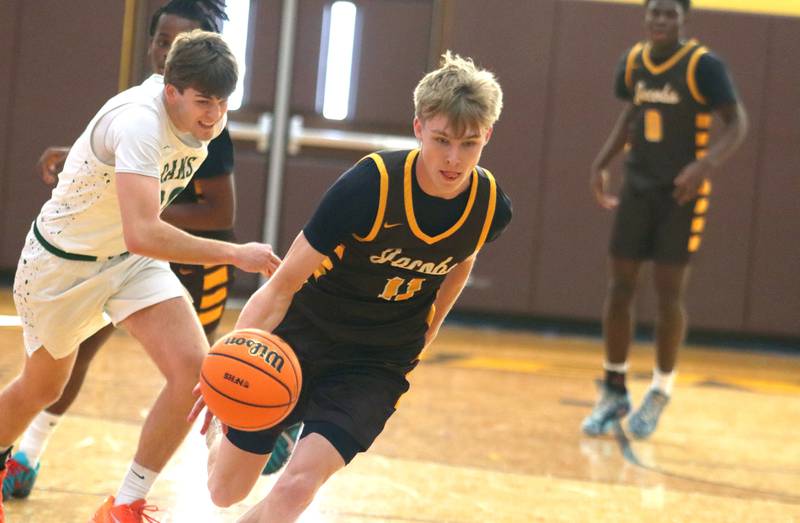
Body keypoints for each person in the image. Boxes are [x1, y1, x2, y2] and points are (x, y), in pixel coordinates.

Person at [188, 51, 512, 522]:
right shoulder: (367, 187)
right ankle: (235, 434)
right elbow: (282, 285)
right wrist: (231, 353)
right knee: (224, 492)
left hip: (375, 362)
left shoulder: (490, 206)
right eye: (442, 140)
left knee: (298, 487)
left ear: (487, 136)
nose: (453, 158)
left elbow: (462, 258)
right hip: (299, 340)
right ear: (419, 127)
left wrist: (431, 328)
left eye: (469, 144)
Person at [1, 0, 296, 504]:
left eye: (224, 103)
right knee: (41, 389)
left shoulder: (207, 119)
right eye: (204, 102)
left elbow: (134, 237)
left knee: (193, 372)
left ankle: (127, 504)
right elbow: (143, 231)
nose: (214, 116)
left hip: (127, 263)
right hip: (61, 267)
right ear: (171, 90)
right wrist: (235, 254)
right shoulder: (140, 120)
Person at [582, 0, 747, 439]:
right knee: (620, 288)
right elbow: (631, 114)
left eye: (669, 13)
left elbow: (737, 123)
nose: (659, 19)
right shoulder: (633, 62)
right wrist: (602, 161)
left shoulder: (703, 66)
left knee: (668, 293)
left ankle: (660, 389)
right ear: (646, 14)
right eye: (654, 11)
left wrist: (705, 164)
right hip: (637, 188)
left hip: (681, 193)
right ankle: (614, 387)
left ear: (683, 19)